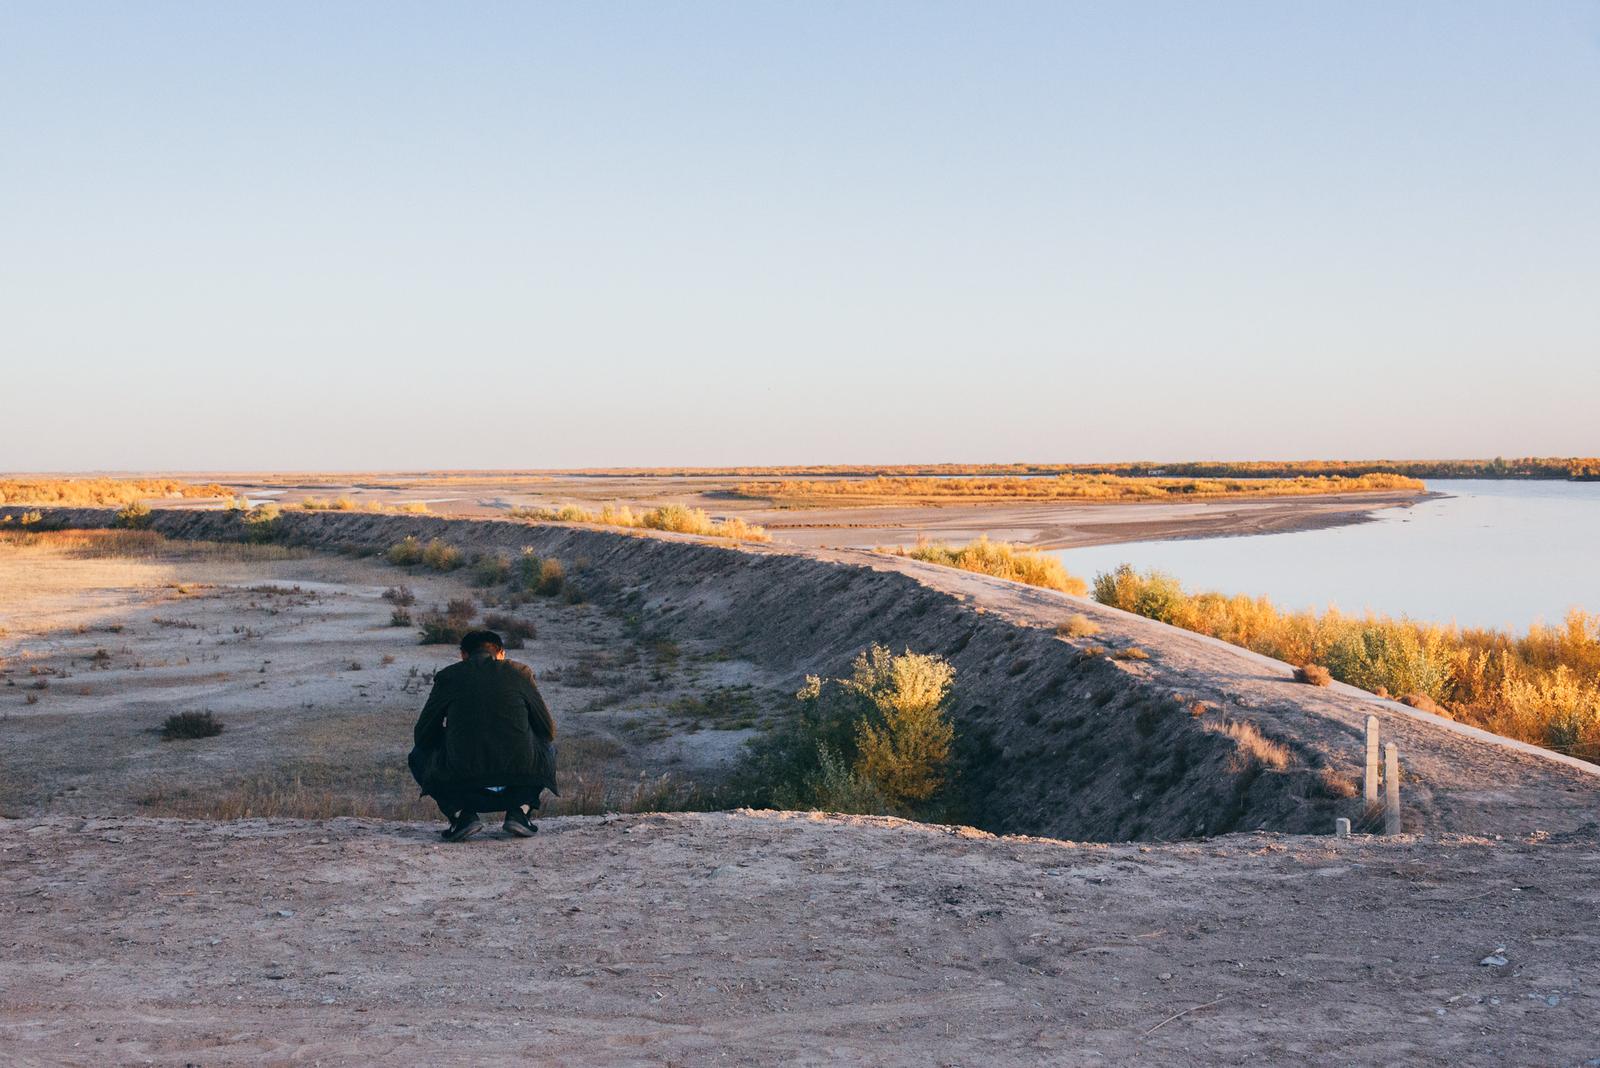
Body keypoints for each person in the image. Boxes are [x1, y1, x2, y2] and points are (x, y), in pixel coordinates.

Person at [408, 628, 558, 842]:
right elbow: (548, 731)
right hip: (518, 773)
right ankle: (520, 811)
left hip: (461, 776)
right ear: (501, 654)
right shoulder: (520, 673)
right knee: (548, 748)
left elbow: (422, 735)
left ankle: (461, 814)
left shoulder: (448, 677)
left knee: (418, 755)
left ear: (463, 655)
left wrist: (449, 736)